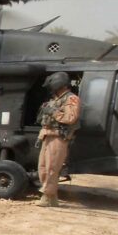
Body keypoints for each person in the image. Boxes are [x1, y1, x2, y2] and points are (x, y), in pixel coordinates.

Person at [36, 71, 81, 208]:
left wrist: (53, 112)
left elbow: (70, 118)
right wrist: (41, 135)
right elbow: (44, 121)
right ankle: (52, 198)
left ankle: (47, 196)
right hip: (47, 135)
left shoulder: (71, 99)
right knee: (42, 167)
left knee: (52, 168)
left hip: (58, 137)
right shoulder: (54, 99)